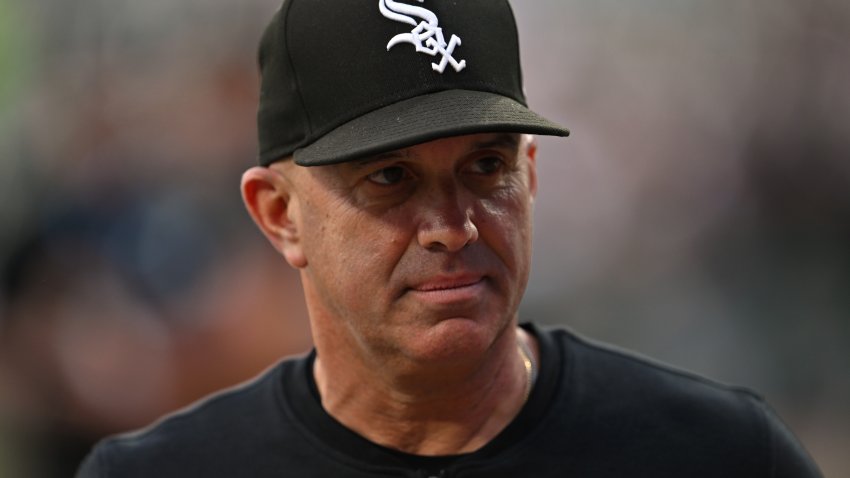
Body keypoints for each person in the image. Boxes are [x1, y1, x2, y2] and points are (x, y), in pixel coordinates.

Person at [77, 1, 822, 476]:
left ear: (530, 176)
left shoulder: (717, 455)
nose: (453, 226)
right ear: (280, 213)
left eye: (486, 165)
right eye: (391, 178)